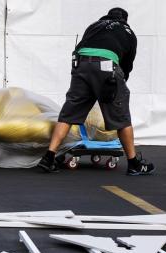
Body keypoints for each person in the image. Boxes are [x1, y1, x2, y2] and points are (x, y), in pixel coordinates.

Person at [37, 7, 156, 176]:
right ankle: (134, 163)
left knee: (68, 114)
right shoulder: (128, 32)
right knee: (121, 117)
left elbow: (81, 46)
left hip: (81, 64)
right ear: (125, 20)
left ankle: (49, 157)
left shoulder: (94, 25)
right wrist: (118, 86)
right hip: (107, 67)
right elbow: (127, 65)